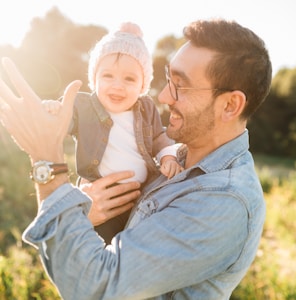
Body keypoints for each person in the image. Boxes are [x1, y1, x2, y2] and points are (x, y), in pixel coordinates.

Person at [0, 18, 272, 299]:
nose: (164, 96)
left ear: (230, 105)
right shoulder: (180, 155)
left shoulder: (224, 200)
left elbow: (96, 286)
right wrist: (83, 214)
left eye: (180, 85)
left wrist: (47, 161)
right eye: (168, 79)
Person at [41, 22, 183, 244]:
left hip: (140, 198)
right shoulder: (84, 106)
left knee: (138, 245)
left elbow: (158, 137)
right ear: (94, 78)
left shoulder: (145, 108)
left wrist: (168, 156)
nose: (118, 86)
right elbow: (63, 122)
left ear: (142, 85)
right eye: (108, 76)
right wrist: (54, 111)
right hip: (101, 197)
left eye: (129, 79)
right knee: (100, 244)